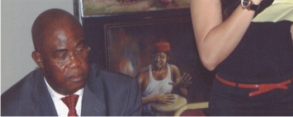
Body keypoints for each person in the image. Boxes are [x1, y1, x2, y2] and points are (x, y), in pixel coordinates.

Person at [1, 8, 143, 116]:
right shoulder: (12, 108)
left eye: (80, 50)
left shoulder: (122, 93)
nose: (75, 62)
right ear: (39, 60)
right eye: (62, 56)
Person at [136, 41, 192, 115]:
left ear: (167, 57)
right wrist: (154, 98)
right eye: (156, 56)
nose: (158, 59)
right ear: (152, 56)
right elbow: (133, 101)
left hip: (166, 114)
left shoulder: (173, 70)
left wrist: (181, 86)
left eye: (162, 56)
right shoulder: (142, 75)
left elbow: (184, 94)